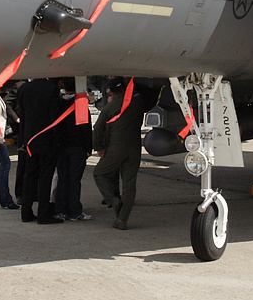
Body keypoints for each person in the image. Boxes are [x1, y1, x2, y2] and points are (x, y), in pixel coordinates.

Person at [91, 77, 156, 230]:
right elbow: (151, 98)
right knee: (129, 184)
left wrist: (99, 146)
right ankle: (122, 219)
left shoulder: (110, 107)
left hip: (115, 148)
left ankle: (112, 199)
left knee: (99, 173)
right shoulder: (138, 103)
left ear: (112, 92)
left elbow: (98, 128)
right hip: (134, 147)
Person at [15, 77, 66, 224]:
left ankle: (26, 212)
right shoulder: (51, 89)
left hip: (30, 139)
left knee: (30, 176)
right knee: (45, 177)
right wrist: (57, 140)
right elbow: (54, 118)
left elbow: (23, 117)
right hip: (47, 139)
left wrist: (24, 140)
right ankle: (43, 213)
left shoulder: (24, 88)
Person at [55, 77, 93, 221]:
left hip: (61, 146)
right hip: (77, 146)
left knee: (62, 178)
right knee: (74, 180)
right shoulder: (80, 104)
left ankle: (60, 209)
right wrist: (88, 148)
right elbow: (86, 128)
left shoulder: (58, 102)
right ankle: (75, 211)